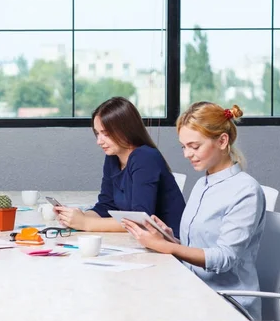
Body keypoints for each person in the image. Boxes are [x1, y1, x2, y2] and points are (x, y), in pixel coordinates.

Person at [122, 102, 266, 320]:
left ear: (222, 141)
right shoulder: (203, 184)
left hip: (227, 303)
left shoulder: (246, 191)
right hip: (194, 289)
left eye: (194, 146)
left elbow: (224, 258)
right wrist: (169, 238)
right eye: (183, 147)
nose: (187, 154)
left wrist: (167, 246)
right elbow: (199, 249)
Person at [54, 97, 185, 235]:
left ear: (126, 130)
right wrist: (78, 217)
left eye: (106, 134)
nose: (99, 141)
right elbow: (105, 206)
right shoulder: (113, 157)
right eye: (97, 133)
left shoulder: (145, 157)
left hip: (170, 245)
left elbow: (140, 219)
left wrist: (85, 223)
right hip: (143, 241)